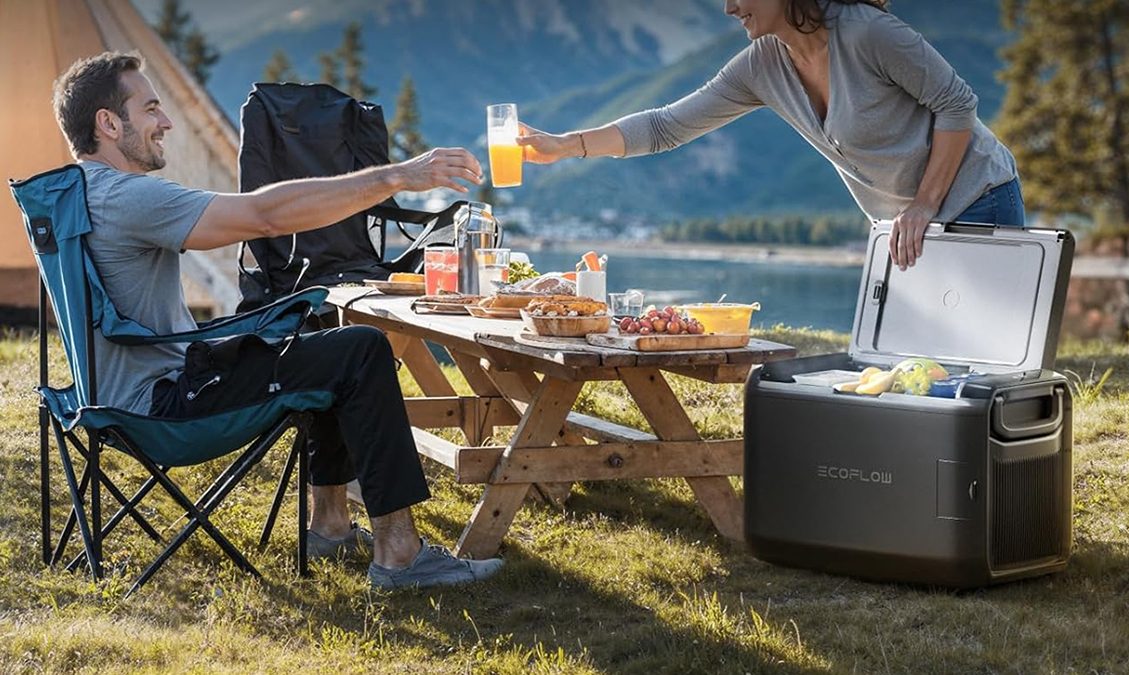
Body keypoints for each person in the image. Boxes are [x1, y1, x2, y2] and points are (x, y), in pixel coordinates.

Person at [51, 51, 503, 590]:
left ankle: (331, 523)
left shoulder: (73, 195)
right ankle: (400, 553)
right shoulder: (127, 196)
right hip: (165, 408)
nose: (165, 122)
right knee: (359, 350)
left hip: (109, 401)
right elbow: (262, 216)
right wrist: (399, 175)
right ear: (108, 123)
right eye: (150, 109)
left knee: (319, 339)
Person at [517, 0, 1023, 271]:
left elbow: (957, 104)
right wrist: (566, 145)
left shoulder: (869, 33)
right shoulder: (763, 66)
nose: (729, 7)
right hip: (910, 226)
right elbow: (666, 126)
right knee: (924, 372)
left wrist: (923, 204)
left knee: (986, 367)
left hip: (978, 199)